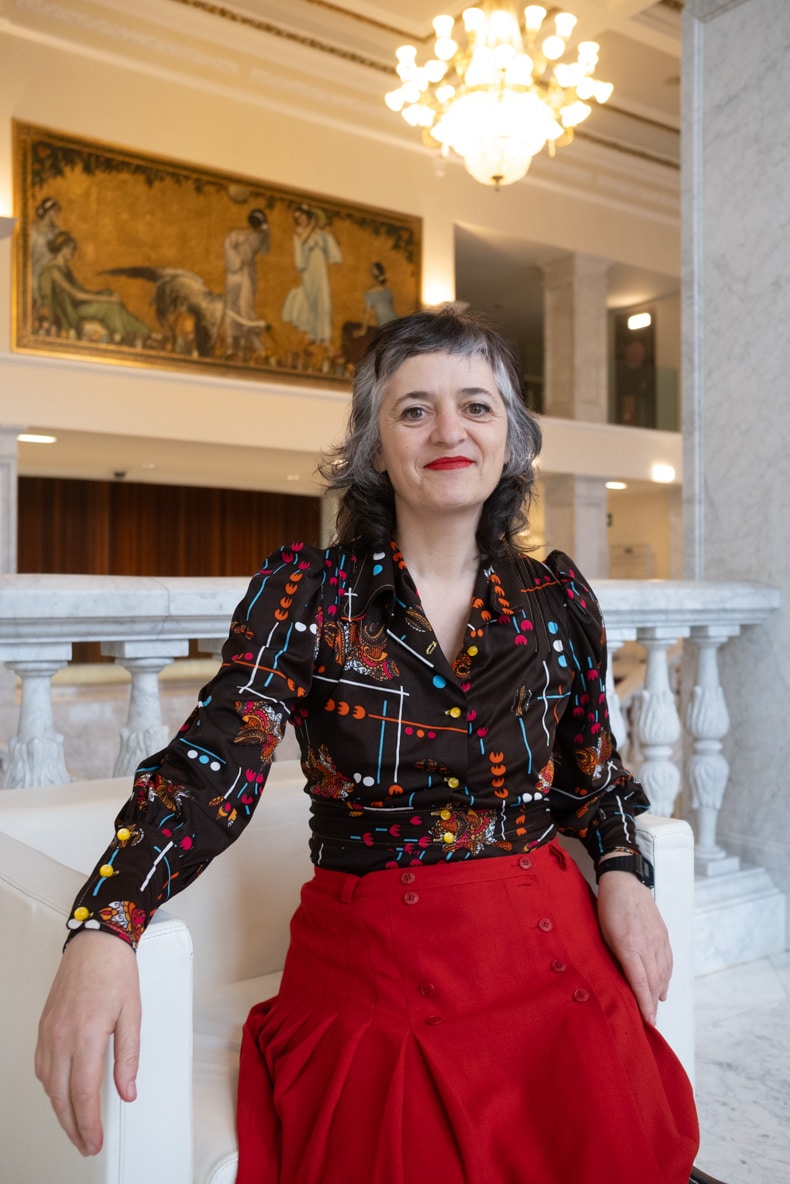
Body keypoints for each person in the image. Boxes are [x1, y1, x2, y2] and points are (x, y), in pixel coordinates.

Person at [36, 308, 700, 1184]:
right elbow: (213, 768)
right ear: (375, 448)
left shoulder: (557, 598)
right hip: (377, 959)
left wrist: (623, 872)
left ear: (510, 438)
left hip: (548, 945)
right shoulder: (308, 593)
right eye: (414, 410)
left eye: (477, 406)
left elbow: (595, 779)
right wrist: (105, 923)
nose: (449, 430)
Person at [38, 231, 151, 346]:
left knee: (109, 295)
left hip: (76, 306)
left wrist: (103, 295)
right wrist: (109, 299)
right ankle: (122, 337)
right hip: (70, 312)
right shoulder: (54, 271)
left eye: (73, 248)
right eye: (69, 248)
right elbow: (76, 295)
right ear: (61, 248)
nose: (72, 251)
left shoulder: (64, 268)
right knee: (109, 306)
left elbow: (81, 291)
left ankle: (140, 331)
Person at [281, 203, 342, 345]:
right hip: (309, 271)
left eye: (302, 216)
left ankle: (324, 336)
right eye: (297, 218)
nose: (300, 220)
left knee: (324, 299)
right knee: (311, 300)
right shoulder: (299, 233)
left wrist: (329, 236)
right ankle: (313, 334)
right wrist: (312, 225)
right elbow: (300, 253)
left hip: (320, 269)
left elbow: (332, 251)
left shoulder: (319, 234)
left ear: (308, 216)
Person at [223, 207, 271, 358]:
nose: (261, 227)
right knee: (232, 305)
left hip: (248, 272)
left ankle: (250, 338)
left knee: (245, 303)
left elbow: (265, 250)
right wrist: (236, 262)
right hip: (235, 272)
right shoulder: (238, 234)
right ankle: (232, 341)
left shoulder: (261, 236)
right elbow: (228, 245)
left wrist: (267, 232)